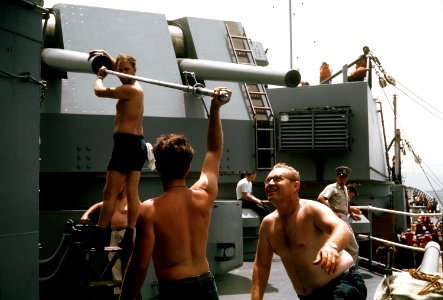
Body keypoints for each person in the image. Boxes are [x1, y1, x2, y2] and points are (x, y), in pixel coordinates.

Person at [119, 87, 232, 300]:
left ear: (158, 167)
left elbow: (139, 266)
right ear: (188, 168)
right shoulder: (204, 194)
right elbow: (214, 151)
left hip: (176, 290)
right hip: (207, 284)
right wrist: (215, 108)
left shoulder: (149, 210)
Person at [251, 163, 366, 299]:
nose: (270, 183)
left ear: (295, 186)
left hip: (342, 285)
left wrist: (332, 246)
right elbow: (261, 266)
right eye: (267, 180)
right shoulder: (268, 224)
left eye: (277, 179)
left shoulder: (311, 209)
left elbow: (342, 228)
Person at [88, 50, 147, 254]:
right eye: (119, 69)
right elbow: (121, 70)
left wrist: (99, 77)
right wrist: (108, 56)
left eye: (126, 70)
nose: (121, 72)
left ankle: (100, 234)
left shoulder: (128, 90)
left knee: (109, 192)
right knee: (132, 191)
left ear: (135, 71)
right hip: (138, 144)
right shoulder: (136, 86)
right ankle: (130, 234)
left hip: (125, 144)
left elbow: (99, 91)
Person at [80, 185, 130, 296]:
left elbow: (140, 209)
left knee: (130, 262)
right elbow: (98, 205)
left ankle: (131, 291)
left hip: (127, 233)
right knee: (114, 262)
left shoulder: (131, 199)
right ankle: (118, 293)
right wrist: (86, 214)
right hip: (114, 233)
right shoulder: (111, 201)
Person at [317, 166, 361, 263]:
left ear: (347, 178)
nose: (343, 178)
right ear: (337, 177)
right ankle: (349, 271)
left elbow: (346, 202)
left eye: (345, 176)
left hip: (345, 218)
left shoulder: (345, 188)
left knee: (350, 248)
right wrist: (332, 213)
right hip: (338, 220)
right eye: (341, 176)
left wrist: (351, 213)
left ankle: (347, 270)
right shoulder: (332, 188)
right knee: (352, 248)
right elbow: (320, 198)